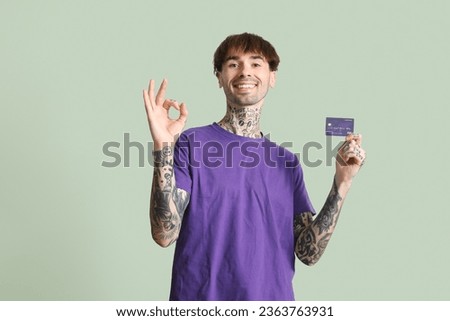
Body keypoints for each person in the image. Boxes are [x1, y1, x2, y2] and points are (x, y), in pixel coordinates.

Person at [143, 32, 366, 301]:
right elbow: (164, 234)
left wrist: (342, 183)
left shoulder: (287, 163)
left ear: (273, 77)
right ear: (219, 77)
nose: (245, 71)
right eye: (233, 63)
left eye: (256, 63)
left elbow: (309, 253)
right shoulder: (194, 143)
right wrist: (164, 147)